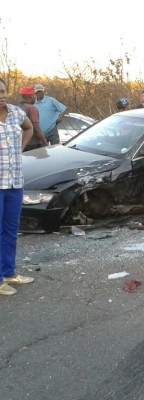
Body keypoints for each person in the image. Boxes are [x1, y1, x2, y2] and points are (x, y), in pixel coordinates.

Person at [0, 78, 35, 296]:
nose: (1, 96)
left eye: (3, 91)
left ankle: (9, 273)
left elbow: (29, 128)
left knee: (11, 231)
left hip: (14, 182)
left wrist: (19, 148)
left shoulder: (15, 112)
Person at [18, 86, 48, 151]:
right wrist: (45, 143)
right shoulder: (31, 108)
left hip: (21, 143)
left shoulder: (18, 108)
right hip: (33, 145)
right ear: (31, 96)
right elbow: (36, 128)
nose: (36, 97)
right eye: (35, 95)